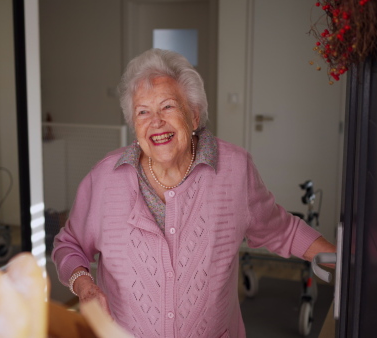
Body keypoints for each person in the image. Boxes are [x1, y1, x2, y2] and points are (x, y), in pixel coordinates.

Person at [52, 48, 336, 337]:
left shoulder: (234, 170)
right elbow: (69, 244)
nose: (156, 122)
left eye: (168, 106)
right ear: (133, 123)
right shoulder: (104, 179)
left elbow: (281, 230)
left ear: (194, 114)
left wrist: (342, 258)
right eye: (143, 112)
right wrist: (84, 286)